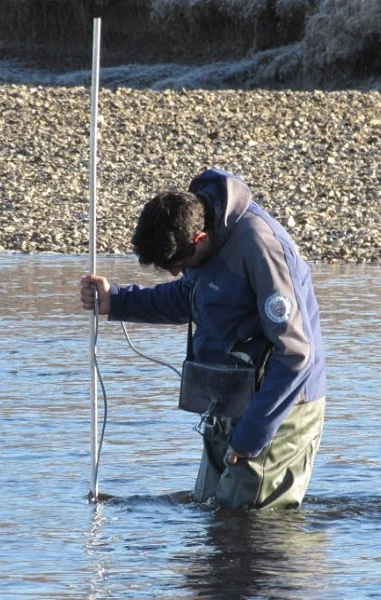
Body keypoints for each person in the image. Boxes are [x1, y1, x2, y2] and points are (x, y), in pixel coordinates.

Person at [80, 168, 326, 509]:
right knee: (210, 513)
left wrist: (250, 437)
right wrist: (117, 300)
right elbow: (189, 297)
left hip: (280, 407)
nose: (176, 272)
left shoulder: (259, 248)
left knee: (245, 524)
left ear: (200, 240)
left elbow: (296, 355)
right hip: (230, 399)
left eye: (177, 263)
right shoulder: (199, 232)